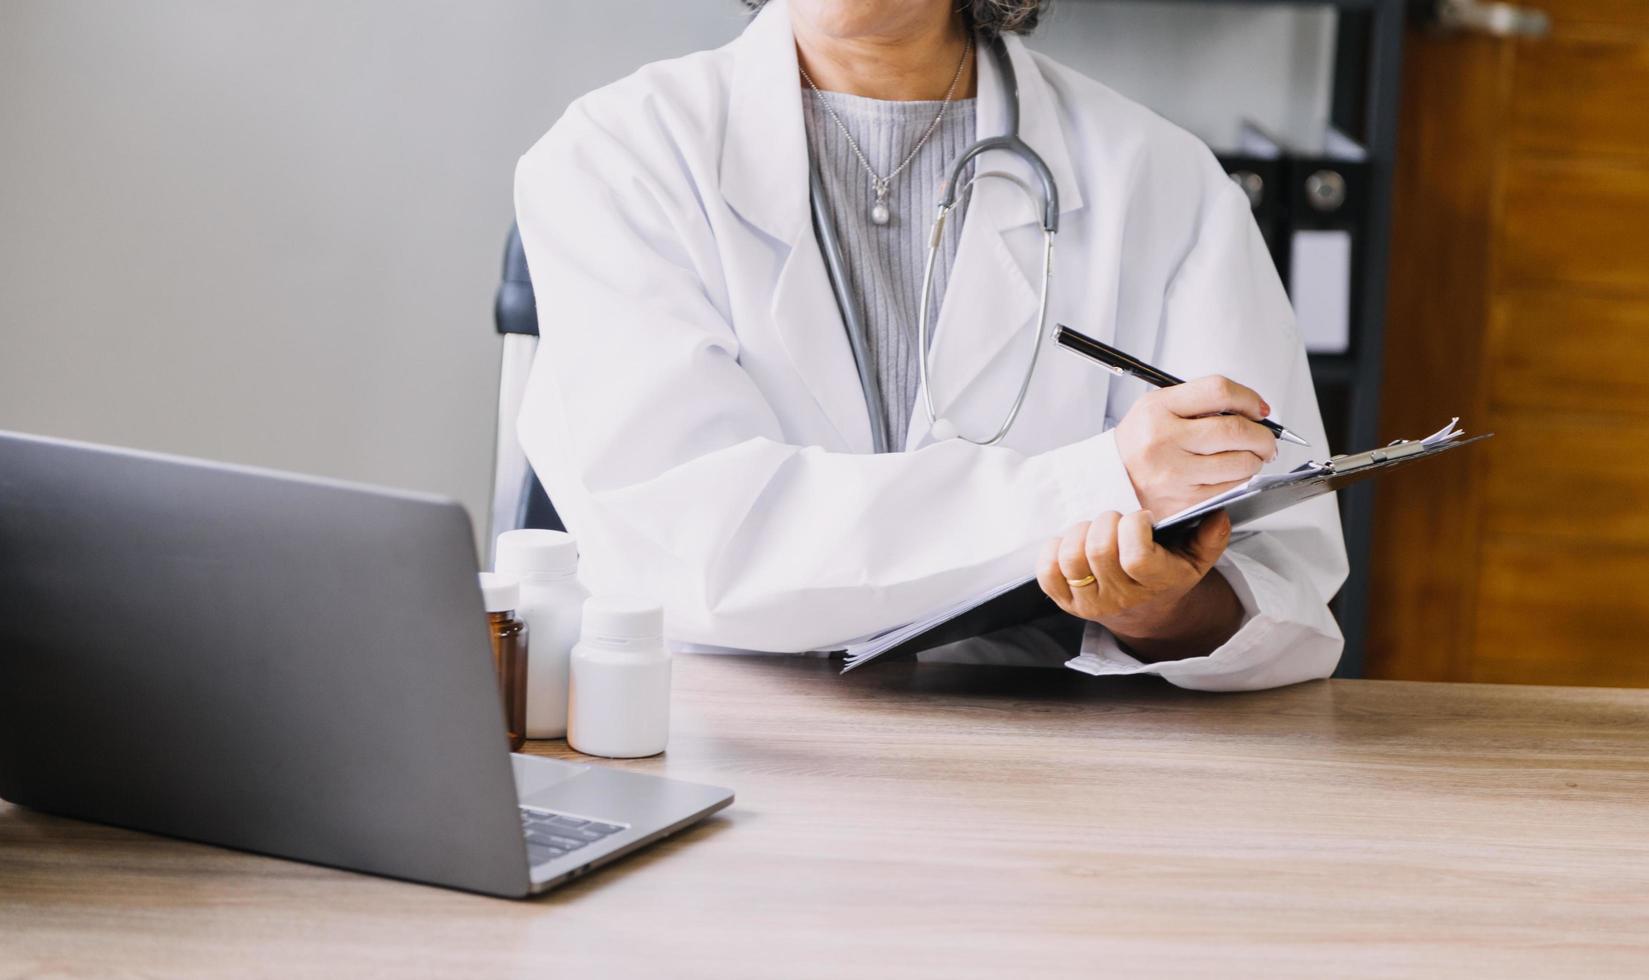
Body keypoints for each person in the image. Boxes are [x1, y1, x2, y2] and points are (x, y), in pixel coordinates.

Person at [513, 0, 1347, 691]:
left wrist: (1156, 609)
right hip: (721, 743)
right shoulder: (619, 155)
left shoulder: (1159, 177)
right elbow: (692, 550)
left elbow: (1286, 586)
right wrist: (1099, 483)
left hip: (1046, 766)